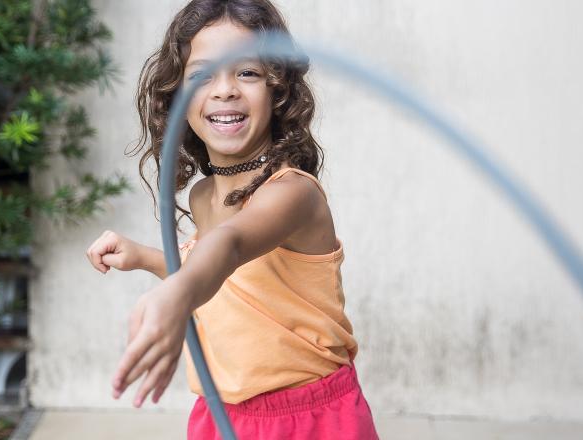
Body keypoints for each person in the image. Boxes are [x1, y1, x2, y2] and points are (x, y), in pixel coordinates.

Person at [85, 1, 379, 438]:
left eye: (247, 72)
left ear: (278, 91)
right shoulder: (204, 194)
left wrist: (176, 297)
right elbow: (223, 278)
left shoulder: (292, 194)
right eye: (203, 74)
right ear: (177, 97)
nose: (224, 90)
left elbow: (233, 246)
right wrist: (146, 257)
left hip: (310, 418)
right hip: (222, 413)